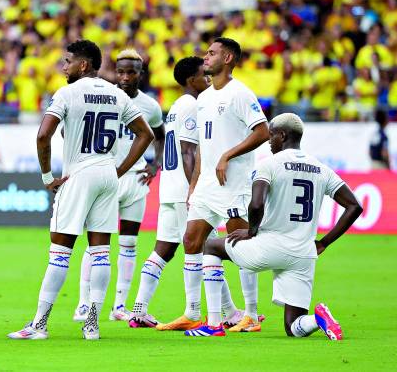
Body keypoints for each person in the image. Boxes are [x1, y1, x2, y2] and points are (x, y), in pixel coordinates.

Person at [7, 40, 154, 340]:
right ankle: (92, 325)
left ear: (83, 65)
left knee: (60, 253)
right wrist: (120, 170)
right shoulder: (116, 93)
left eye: (68, 61)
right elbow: (146, 134)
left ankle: (39, 325)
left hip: (79, 174)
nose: (64, 67)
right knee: (101, 252)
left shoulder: (68, 93)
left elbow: (43, 135)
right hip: (107, 174)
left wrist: (48, 176)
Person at [185, 113, 362, 338]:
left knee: (210, 247)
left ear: (282, 135)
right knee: (294, 327)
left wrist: (251, 231)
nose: (269, 141)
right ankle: (317, 318)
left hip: (269, 247)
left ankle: (213, 324)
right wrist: (324, 242)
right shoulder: (321, 169)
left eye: (271, 136)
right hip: (304, 254)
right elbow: (354, 206)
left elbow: (256, 203)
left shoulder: (269, 165)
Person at [165, 38, 270, 332]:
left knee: (240, 244)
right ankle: (192, 312)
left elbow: (263, 131)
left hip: (234, 182)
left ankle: (250, 314)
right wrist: (193, 185)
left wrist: (228, 154)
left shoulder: (240, 93)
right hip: (208, 184)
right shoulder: (204, 98)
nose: (205, 56)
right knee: (191, 240)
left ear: (228, 58)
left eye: (211, 53)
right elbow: (201, 147)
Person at [73, 48, 165, 322]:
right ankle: (83, 302)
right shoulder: (106, 97)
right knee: (96, 244)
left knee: (128, 243)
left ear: (141, 73)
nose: (125, 77)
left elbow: (160, 135)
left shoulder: (150, 106)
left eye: (131, 72)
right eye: (120, 71)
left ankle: (120, 306)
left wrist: (155, 164)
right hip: (106, 176)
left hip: (135, 179)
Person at [126, 56, 210, 327]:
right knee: (204, 249)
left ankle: (138, 309)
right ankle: (197, 310)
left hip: (169, 188)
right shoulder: (192, 105)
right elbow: (187, 152)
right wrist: (194, 189)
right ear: (190, 80)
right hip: (184, 189)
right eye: (203, 75)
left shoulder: (176, 106)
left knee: (164, 249)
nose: (207, 79)